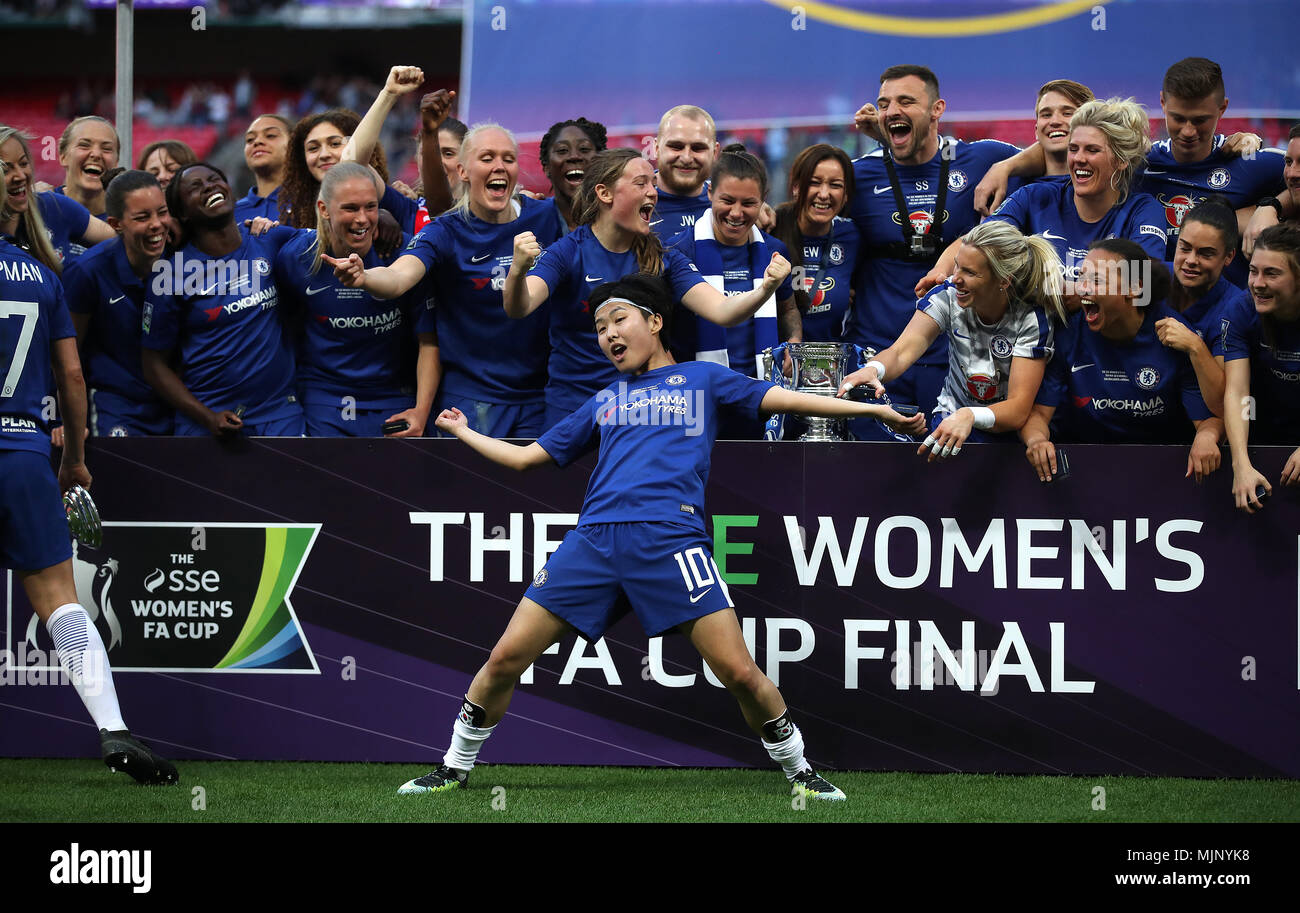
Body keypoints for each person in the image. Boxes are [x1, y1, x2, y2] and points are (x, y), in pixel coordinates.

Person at [396, 272, 920, 801]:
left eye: (618, 320)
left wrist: (872, 408)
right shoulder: (603, 399)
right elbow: (528, 457)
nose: (609, 335)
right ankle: (454, 767)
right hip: (593, 543)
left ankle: (800, 770)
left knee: (738, 672)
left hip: (672, 542)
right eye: (600, 328)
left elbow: (792, 400)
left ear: (654, 321)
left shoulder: (703, 379)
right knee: (505, 657)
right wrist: (464, 431)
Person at [0, 177, 177, 784]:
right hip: (24, 450)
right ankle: (114, 731)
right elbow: (72, 379)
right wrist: (74, 456)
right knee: (60, 602)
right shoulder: (42, 275)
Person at [505, 148, 792, 429]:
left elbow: (721, 311)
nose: (653, 192)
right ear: (605, 193)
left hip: (644, 411)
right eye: (641, 183)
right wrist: (517, 271)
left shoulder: (663, 257)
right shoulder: (569, 252)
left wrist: (766, 288)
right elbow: (520, 306)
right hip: (574, 410)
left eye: (653, 184)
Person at [327, 124, 561, 438]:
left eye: (508, 158)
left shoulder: (547, 217)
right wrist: (365, 276)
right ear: (463, 171)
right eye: (487, 157)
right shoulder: (445, 231)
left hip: (538, 397)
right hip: (471, 401)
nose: (499, 167)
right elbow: (398, 276)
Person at [846, 65, 1022, 425]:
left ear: (937, 109)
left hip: (955, 358)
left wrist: (1009, 166)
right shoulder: (857, 174)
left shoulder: (983, 160)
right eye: (884, 104)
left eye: (906, 101)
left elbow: (1056, 152)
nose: (892, 110)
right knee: (869, 471)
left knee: (946, 472)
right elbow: (805, 213)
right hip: (875, 354)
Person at [839, 221, 1062, 459]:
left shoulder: (1031, 317)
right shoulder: (947, 295)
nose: (955, 278)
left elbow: (1018, 409)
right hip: (949, 422)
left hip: (1005, 430)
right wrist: (874, 369)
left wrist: (970, 415)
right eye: (957, 266)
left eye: (970, 272)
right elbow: (901, 352)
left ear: (1003, 281)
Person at [1021, 239, 1221, 481]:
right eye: (1081, 277)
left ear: (1134, 289)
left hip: (1161, 468)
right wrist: (1037, 440)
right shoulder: (1068, 333)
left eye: (1096, 281)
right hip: (1083, 463)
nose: (1082, 288)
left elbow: (1210, 418)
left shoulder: (1175, 335)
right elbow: (1039, 414)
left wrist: (1207, 437)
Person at [924, 98, 1168, 291]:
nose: (1079, 159)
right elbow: (980, 240)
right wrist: (941, 270)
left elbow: (1143, 285)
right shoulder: (1035, 196)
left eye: (1092, 150)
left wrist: (1060, 290)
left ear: (1121, 160)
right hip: (1043, 349)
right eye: (1074, 149)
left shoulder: (1143, 211)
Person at [141, 162, 304, 436]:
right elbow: (154, 365)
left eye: (214, 178)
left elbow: (330, 240)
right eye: (195, 187)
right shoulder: (169, 273)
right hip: (208, 419)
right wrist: (206, 417)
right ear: (182, 211)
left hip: (280, 414)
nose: (209, 186)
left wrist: (384, 215)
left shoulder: (270, 239)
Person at [276, 162, 438, 437]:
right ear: (324, 209)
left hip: (394, 399)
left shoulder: (408, 254)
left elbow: (429, 340)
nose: (362, 219)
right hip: (323, 400)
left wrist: (421, 410)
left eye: (371, 207)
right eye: (350, 208)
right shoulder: (295, 258)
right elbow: (283, 328)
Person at [665, 146, 799, 438]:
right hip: (695, 405)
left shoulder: (775, 252)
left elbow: (788, 308)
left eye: (748, 203)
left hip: (761, 403)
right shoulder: (677, 251)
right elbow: (657, 329)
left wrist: (794, 342)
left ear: (763, 201)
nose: (736, 213)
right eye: (727, 200)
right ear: (710, 192)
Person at [63, 171, 174, 436]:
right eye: (142, 217)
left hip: (176, 401)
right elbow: (67, 354)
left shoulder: (182, 258)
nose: (157, 224)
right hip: (115, 405)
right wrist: (62, 418)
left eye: (162, 212)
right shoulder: (87, 272)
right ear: (116, 223)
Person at [1223, 225, 1300, 512]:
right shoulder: (1241, 310)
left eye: (1272, 273)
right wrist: (1240, 463)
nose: (1257, 283)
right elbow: (1238, 392)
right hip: (1266, 429)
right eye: (1253, 271)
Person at [1159, 197, 1251, 416]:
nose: (1191, 260)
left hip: (1202, 422)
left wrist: (1195, 346)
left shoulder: (1236, 307)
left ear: (1228, 257)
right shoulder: (1150, 276)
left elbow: (1223, 406)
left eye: (1205, 253)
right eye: (1185, 248)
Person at [771, 143, 860, 343]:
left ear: (846, 195)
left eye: (835, 185)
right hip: (779, 364)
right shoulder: (771, 229)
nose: (824, 194)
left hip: (831, 367)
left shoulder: (852, 236)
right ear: (796, 187)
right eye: (814, 182)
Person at [1, 125, 116, 271]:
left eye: (24, 164)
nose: (21, 176)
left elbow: (124, 243)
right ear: (63, 156)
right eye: (6, 170)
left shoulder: (52, 206)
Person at [650, 105, 718, 240]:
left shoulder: (729, 205)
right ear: (656, 148)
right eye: (676, 147)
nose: (686, 158)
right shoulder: (632, 202)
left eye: (698, 148)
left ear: (715, 153)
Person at [540, 117, 607, 234]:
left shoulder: (622, 221)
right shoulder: (531, 221)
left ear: (601, 161)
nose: (574, 156)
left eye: (584, 149)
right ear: (547, 167)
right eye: (562, 150)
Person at [55, 117, 120, 223]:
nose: (96, 154)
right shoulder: (40, 208)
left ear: (116, 163)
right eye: (84, 145)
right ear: (63, 157)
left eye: (106, 149)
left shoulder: (126, 221)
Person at [234, 114, 293, 224]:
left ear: (293, 145)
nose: (257, 142)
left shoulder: (312, 204)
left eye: (270, 135)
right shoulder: (232, 214)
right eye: (250, 139)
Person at [1032, 79, 1094, 179]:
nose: (1055, 121)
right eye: (1047, 115)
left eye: (1067, 113)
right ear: (1036, 130)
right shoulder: (1011, 178)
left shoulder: (1111, 185)